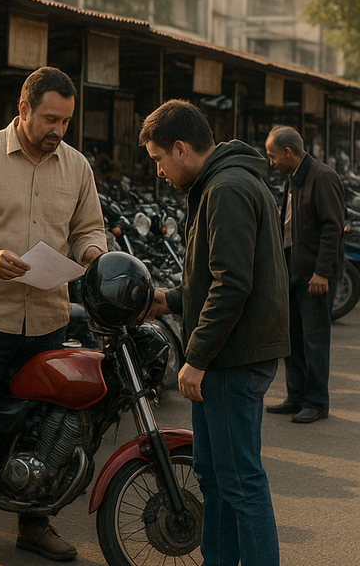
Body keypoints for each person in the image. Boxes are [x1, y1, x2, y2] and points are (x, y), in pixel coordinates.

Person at [0, 66, 107, 566]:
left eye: (67, 122)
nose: (59, 130)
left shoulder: (77, 167)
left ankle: (34, 526)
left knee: (43, 430)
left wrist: (92, 254)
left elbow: (90, 228)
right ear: (24, 108)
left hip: (49, 317)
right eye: (50, 118)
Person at [140, 100, 289, 566]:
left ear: (180, 148)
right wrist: (173, 299)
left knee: (240, 483)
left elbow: (233, 283)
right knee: (215, 477)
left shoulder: (225, 188)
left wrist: (197, 356)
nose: (159, 171)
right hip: (231, 354)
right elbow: (217, 276)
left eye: (158, 159)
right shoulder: (223, 182)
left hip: (232, 358)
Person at [264, 126, 344, 423]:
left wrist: (321, 273)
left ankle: (316, 401)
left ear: (288, 152)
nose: (271, 162)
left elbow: (332, 228)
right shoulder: (292, 179)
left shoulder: (322, 177)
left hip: (315, 274)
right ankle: (296, 396)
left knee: (314, 339)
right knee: (293, 337)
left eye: (273, 156)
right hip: (292, 269)